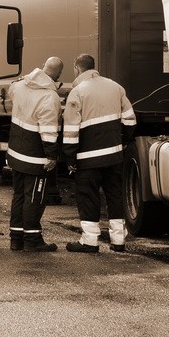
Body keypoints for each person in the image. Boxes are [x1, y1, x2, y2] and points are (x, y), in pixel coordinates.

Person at [62, 54, 136, 253]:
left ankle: (90, 241)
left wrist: (70, 158)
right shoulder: (115, 87)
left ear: (77, 68)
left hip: (88, 159)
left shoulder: (77, 93)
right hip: (114, 156)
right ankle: (119, 241)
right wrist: (123, 142)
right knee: (114, 196)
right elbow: (130, 120)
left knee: (88, 198)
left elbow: (70, 130)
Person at [6, 56, 64, 252]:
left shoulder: (20, 85)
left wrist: (23, 79)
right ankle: (32, 240)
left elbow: (11, 89)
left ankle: (16, 239)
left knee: (19, 195)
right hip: (35, 157)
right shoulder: (50, 97)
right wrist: (51, 156)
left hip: (15, 152)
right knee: (35, 198)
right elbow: (48, 130)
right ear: (58, 77)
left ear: (42, 67)